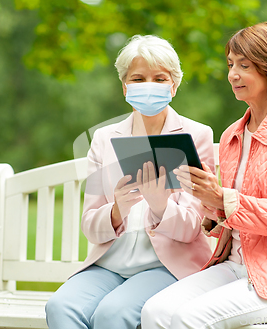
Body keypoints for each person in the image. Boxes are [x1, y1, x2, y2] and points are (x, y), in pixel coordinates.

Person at [141, 22, 267, 328]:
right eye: (231, 64)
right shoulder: (234, 134)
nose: (232, 74)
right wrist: (207, 200)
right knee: (154, 311)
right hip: (235, 267)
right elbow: (228, 217)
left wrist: (222, 198)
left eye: (244, 65)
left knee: (189, 319)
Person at [45, 35, 215, 329]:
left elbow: (191, 229)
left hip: (166, 266)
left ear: (173, 86)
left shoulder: (196, 136)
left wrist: (161, 205)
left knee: (112, 313)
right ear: (125, 86)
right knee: (60, 307)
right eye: (138, 78)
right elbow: (89, 225)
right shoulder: (104, 139)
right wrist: (116, 210)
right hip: (109, 265)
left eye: (159, 78)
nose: (149, 85)